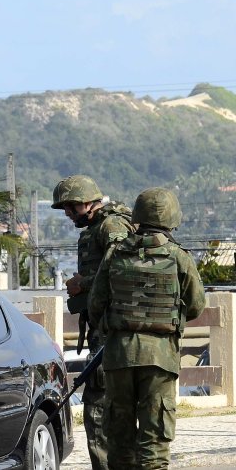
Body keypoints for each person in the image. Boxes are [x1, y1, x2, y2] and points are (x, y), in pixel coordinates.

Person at [88, 187, 205, 470]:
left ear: (137, 216)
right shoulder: (179, 257)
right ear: (173, 218)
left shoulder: (115, 254)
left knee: (119, 440)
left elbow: (95, 304)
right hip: (161, 359)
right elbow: (197, 305)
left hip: (118, 357)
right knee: (153, 443)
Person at [51, 173, 134, 470]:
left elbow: (121, 270)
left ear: (86, 203)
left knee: (97, 406)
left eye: (69, 208)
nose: (67, 214)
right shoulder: (102, 226)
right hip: (107, 328)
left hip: (112, 329)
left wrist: (82, 284)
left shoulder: (110, 226)